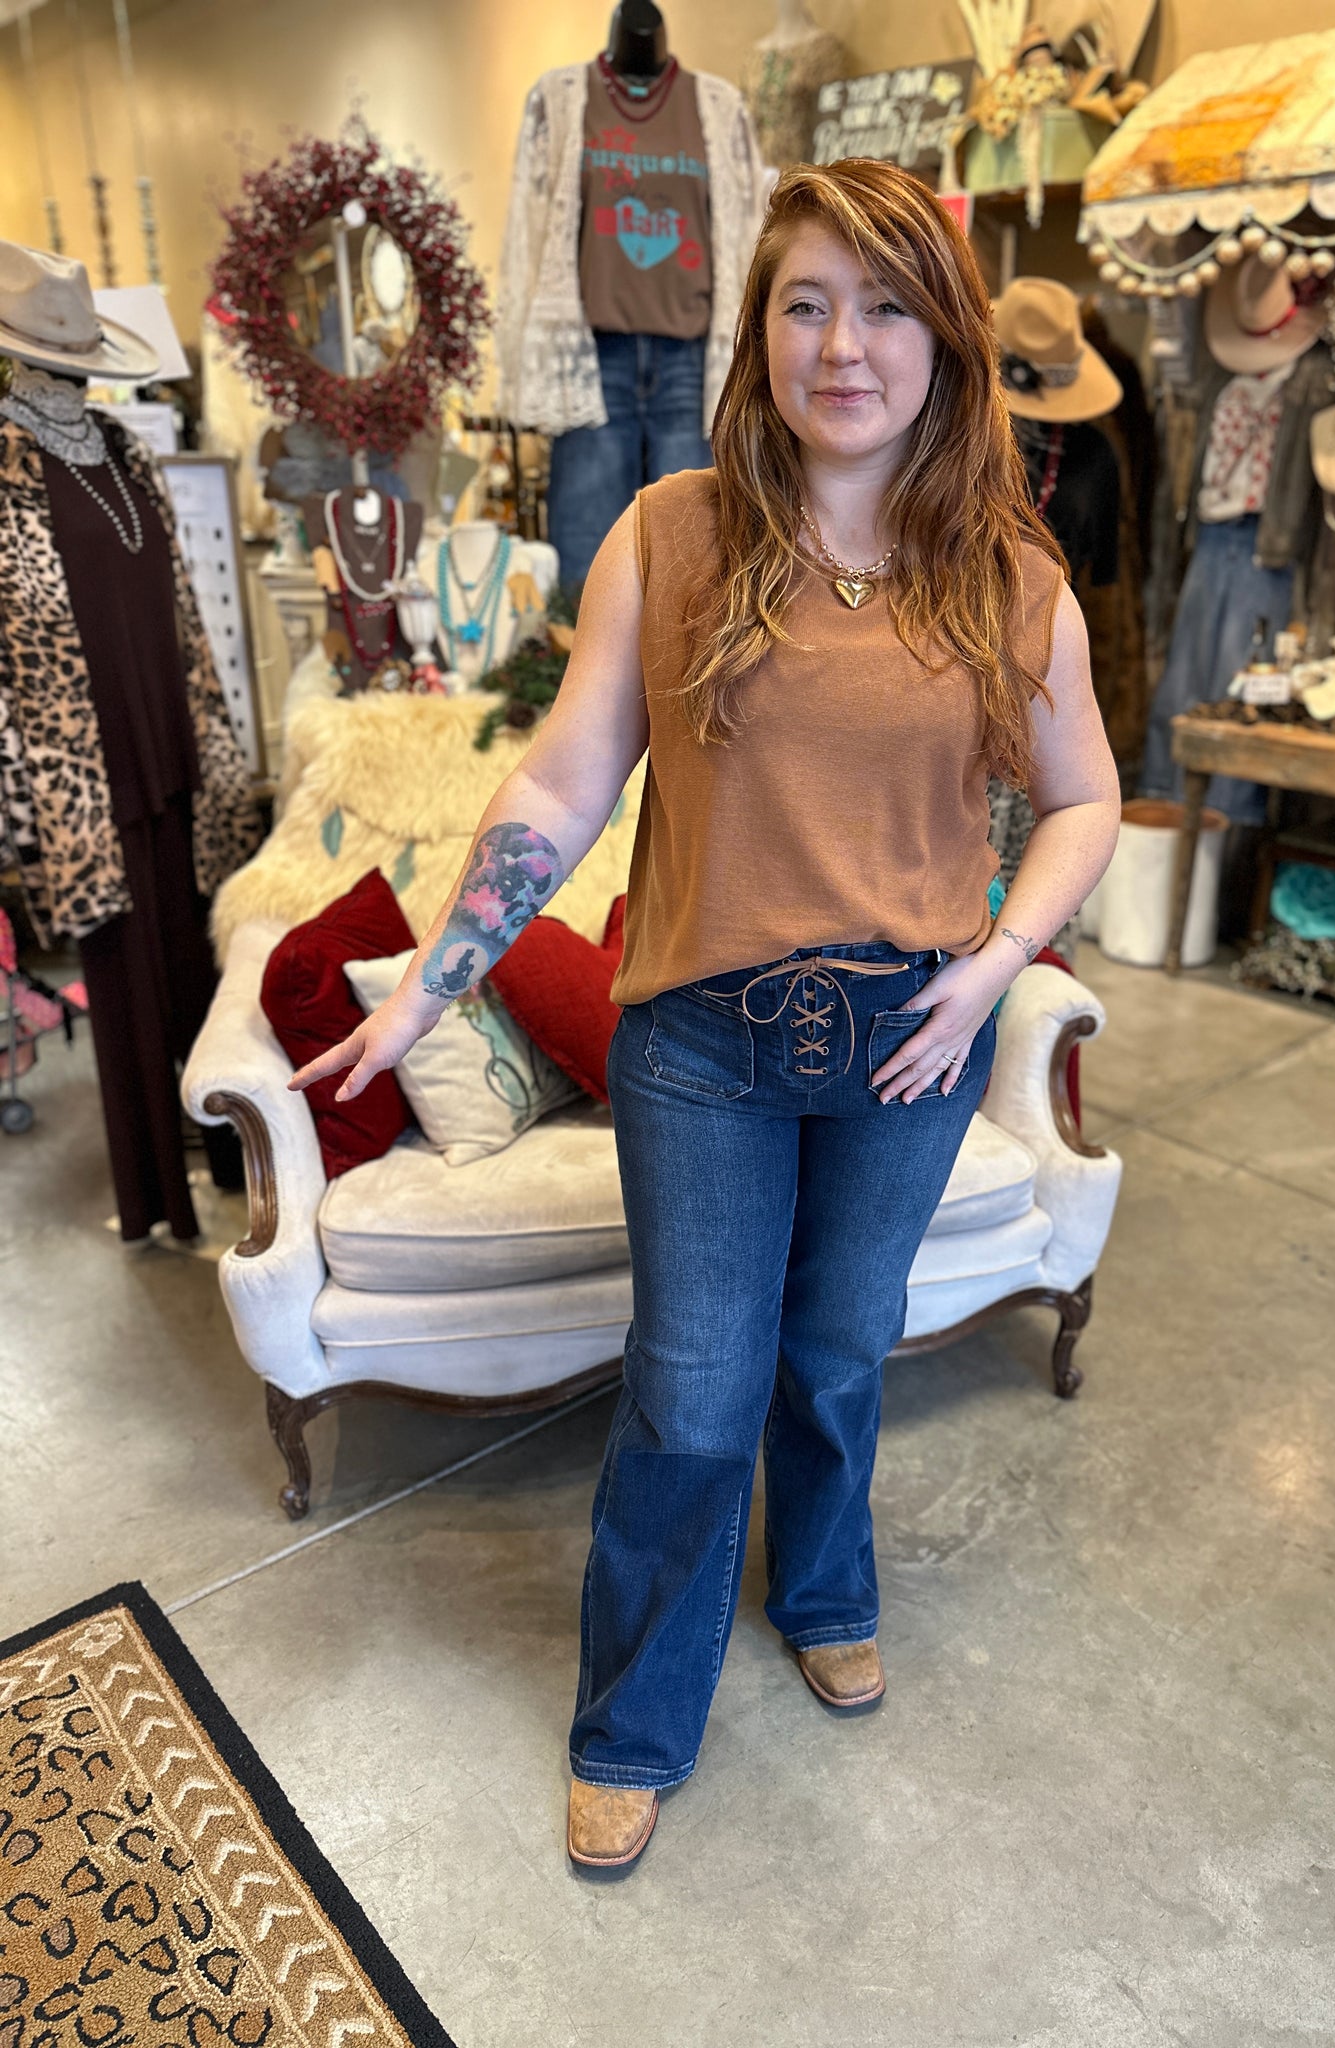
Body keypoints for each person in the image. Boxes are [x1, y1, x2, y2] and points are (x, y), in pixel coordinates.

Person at [292, 158, 1120, 1872]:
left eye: (885, 307)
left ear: (945, 341)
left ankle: (823, 1589)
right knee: (689, 1387)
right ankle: (635, 1719)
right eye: (806, 304)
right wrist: (440, 977)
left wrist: (996, 964)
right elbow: (564, 778)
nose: (845, 346)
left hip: (913, 1037)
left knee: (840, 1351)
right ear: (758, 332)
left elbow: (1085, 800)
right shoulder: (673, 533)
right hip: (703, 1048)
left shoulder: (1009, 576)